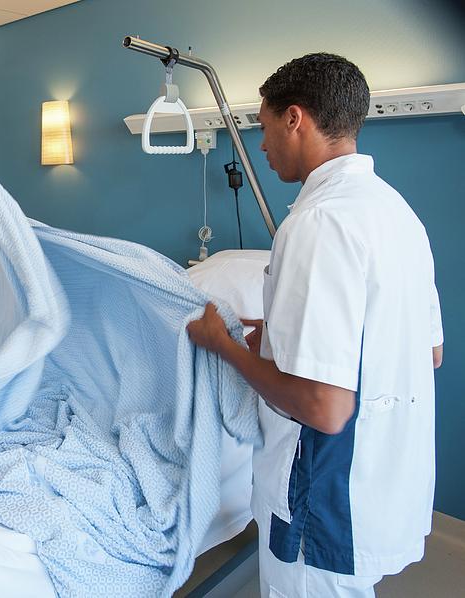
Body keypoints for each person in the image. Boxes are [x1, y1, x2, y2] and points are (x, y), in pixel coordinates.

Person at [187, 54, 444, 597]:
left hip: (325, 495)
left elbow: (324, 408)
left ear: (294, 119)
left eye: (263, 126)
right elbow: (429, 350)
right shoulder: (396, 213)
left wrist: (226, 347)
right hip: (385, 476)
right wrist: (276, 336)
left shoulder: (316, 224)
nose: (261, 144)